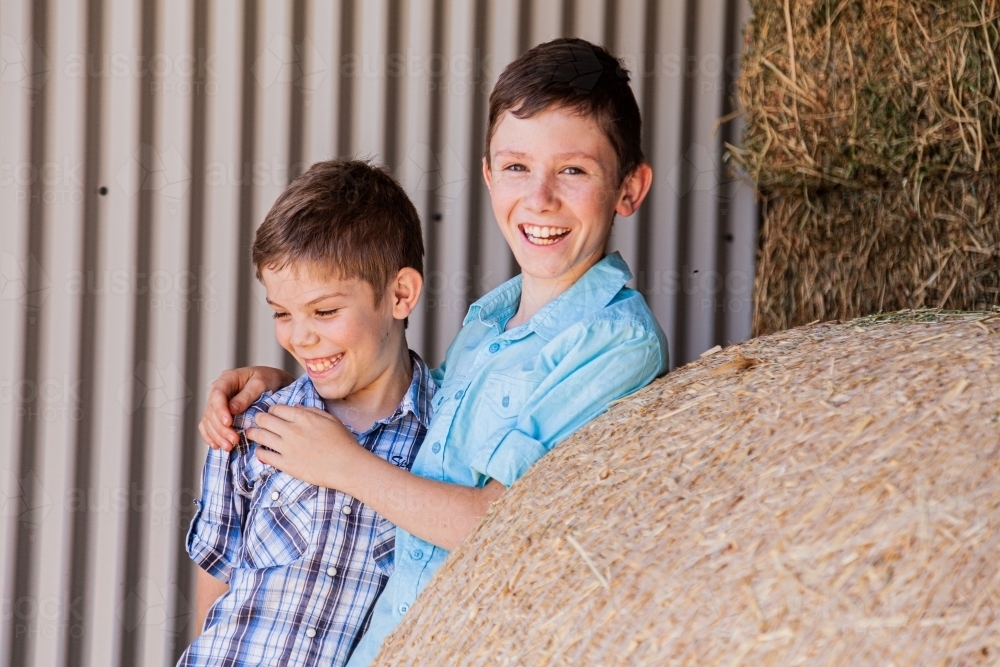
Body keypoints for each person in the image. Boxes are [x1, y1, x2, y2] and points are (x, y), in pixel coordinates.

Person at [198, 38, 669, 665]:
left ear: (630, 188)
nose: (539, 198)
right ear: (488, 174)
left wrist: (342, 465)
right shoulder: (489, 323)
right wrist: (288, 377)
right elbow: (386, 395)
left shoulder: (617, 343)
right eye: (516, 166)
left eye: (574, 170)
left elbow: (506, 525)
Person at [178, 159, 435, 667]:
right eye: (281, 313)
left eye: (324, 311)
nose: (300, 337)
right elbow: (215, 591)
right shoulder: (253, 427)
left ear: (400, 294)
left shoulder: (441, 439)